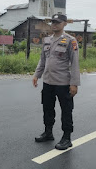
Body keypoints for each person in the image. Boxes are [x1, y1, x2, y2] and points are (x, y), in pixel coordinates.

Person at [32, 14, 80, 150]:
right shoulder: (47, 40)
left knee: (66, 110)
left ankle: (67, 138)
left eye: (58, 22)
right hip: (48, 82)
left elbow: (75, 63)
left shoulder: (71, 41)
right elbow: (43, 60)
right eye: (53, 22)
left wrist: (74, 83)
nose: (54, 25)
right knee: (47, 108)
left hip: (63, 83)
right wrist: (37, 74)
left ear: (64, 23)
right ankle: (48, 132)